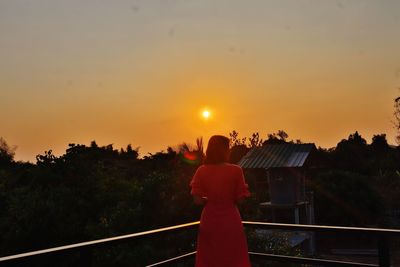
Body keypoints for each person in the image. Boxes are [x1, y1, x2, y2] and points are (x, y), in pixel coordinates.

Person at [190, 135, 251, 267]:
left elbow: (198, 201)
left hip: (210, 220)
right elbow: (241, 201)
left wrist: (211, 199)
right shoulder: (236, 170)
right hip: (230, 219)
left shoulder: (201, 171)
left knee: (210, 257)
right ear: (225, 150)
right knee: (233, 256)